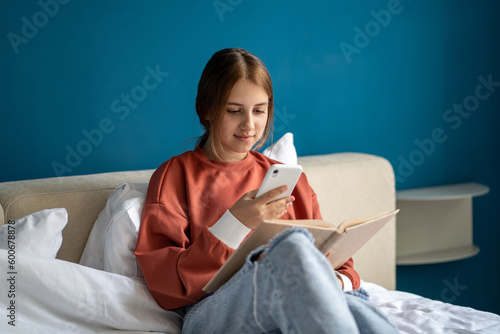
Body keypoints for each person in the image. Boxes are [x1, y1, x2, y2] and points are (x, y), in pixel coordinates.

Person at [135, 48, 398, 333]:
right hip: (210, 312)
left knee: (356, 305)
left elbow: (340, 264)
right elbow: (164, 286)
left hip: (288, 300)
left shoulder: (289, 179)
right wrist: (235, 223)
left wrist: (336, 282)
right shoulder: (175, 175)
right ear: (207, 109)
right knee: (292, 246)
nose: (249, 124)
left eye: (259, 111)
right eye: (234, 111)